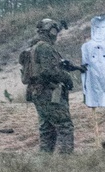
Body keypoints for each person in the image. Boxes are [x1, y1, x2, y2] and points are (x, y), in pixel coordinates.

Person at [20, 17, 76, 154]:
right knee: (64, 125)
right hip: (48, 92)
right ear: (50, 31)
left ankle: (45, 160)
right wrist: (66, 78)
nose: (56, 34)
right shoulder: (44, 47)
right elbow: (48, 71)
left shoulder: (33, 47)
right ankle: (65, 159)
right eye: (55, 31)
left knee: (47, 128)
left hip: (37, 92)